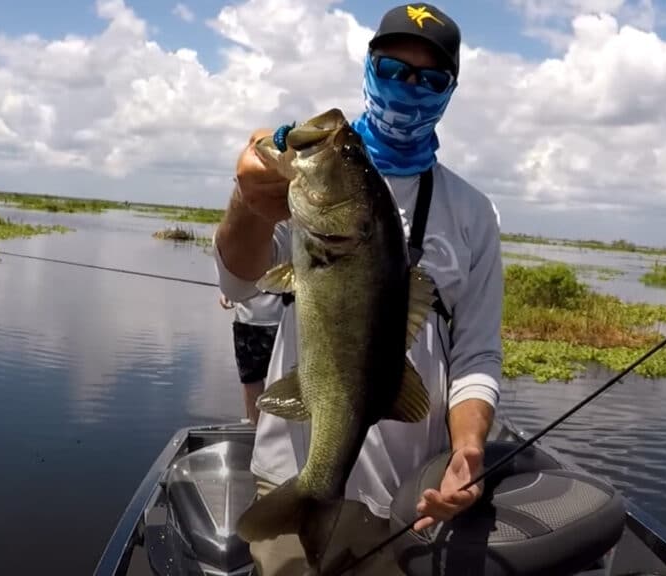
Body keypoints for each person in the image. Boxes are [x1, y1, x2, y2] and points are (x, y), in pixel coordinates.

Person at [212, 3, 503, 573]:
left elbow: (477, 353)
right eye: (394, 69)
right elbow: (239, 280)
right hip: (289, 468)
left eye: (430, 78)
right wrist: (248, 203)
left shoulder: (473, 212)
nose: (408, 88)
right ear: (369, 68)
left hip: (412, 494)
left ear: (450, 91)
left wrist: (468, 448)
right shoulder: (301, 179)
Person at [218, 290, 284, 426]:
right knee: (252, 381)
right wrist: (228, 290)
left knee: (276, 383)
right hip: (250, 321)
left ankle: (261, 430)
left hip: (281, 321)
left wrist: (228, 289)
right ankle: (257, 430)